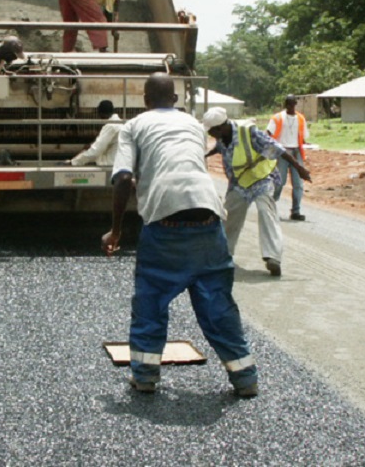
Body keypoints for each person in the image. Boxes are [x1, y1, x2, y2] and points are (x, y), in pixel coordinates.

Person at [101, 73, 258, 397]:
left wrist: (116, 231)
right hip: (208, 217)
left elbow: (123, 179)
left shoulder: (133, 126)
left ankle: (145, 376)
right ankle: (245, 379)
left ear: (145, 101)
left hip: (165, 224)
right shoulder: (191, 125)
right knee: (217, 303)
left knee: (151, 298)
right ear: (175, 100)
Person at [204, 107, 310, 277]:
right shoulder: (222, 137)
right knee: (229, 216)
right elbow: (219, 148)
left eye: (212, 132)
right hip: (239, 183)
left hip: (261, 178)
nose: (211, 135)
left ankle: (273, 257)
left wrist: (299, 169)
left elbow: (277, 148)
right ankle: (223, 254)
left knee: (266, 211)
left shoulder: (248, 132)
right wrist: (203, 155)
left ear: (221, 127)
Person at [267, 94, 309, 221]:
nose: (291, 106)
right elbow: (268, 133)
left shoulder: (301, 118)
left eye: (293, 103)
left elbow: (304, 137)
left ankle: (295, 211)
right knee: (280, 182)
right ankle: (270, 207)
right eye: (289, 103)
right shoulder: (278, 118)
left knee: (298, 184)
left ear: (296, 104)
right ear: (285, 104)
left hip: (296, 151)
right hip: (282, 152)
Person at [70, 100, 122, 167]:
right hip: (117, 162)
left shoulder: (111, 126)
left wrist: (75, 162)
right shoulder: (119, 123)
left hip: (110, 164)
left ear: (100, 113)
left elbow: (95, 151)